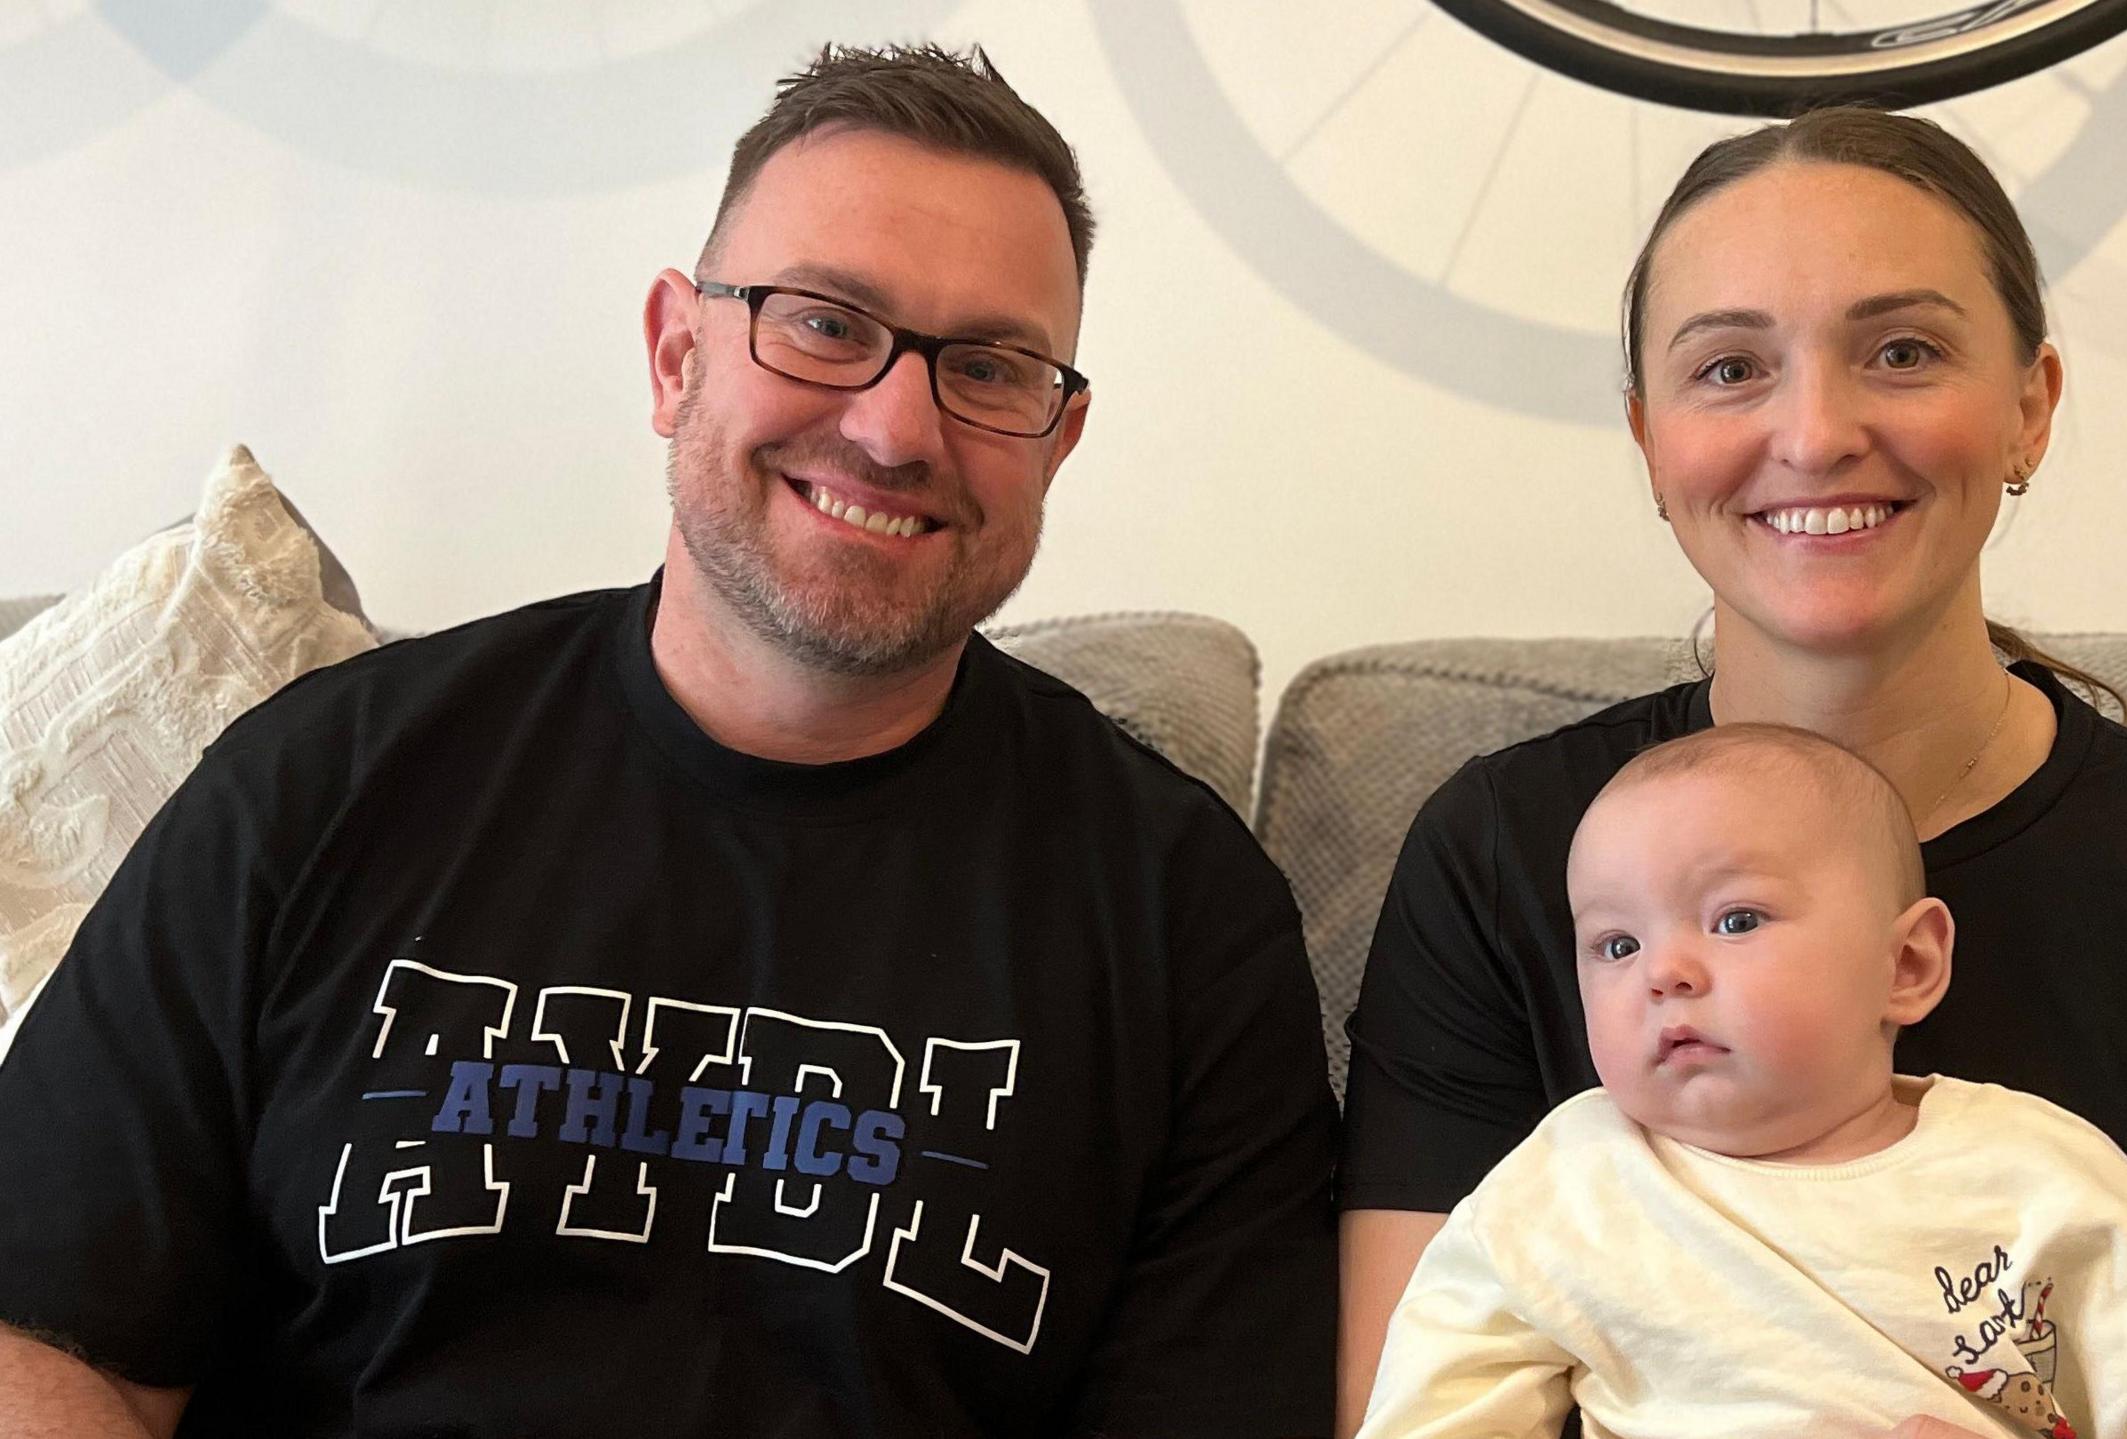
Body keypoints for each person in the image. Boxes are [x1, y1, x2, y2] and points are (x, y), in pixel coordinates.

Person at [0, 43, 1336, 1438]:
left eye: (990, 368)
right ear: (676, 353)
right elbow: (46, 1338)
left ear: (1056, 438)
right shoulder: (320, 780)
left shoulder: (1186, 917)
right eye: (825, 323)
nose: (894, 428)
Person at [1336, 107, 2127, 1439]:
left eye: (1902, 351)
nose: (1815, 432)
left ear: (2028, 410)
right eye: (1729, 367)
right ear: (1650, 440)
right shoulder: (1502, 851)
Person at [1356, 724, 2127, 1439]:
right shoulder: (1567, 1184)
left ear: (1907, 964)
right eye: (1615, 943)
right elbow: (1432, 1409)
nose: (1664, 972)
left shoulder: (2035, 1173)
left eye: (1735, 919)